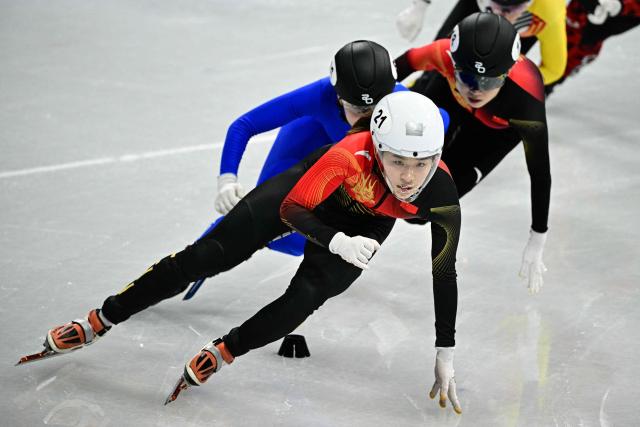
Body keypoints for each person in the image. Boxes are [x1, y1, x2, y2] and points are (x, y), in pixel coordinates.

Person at [24, 91, 464, 413]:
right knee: (208, 255)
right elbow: (293, 208)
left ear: (436, 157)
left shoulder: (441, 192)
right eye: (397, 161)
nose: (409, 177)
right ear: (376, 148)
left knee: (305, 299)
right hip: (312, 195)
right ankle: (102, 318)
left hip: (365, 223)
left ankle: (223, 351)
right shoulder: (348, 154)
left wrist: (445, 351)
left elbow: (443, 273)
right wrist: (335, 240)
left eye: (421, 163)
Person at [394, 12, 551, 294]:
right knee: (402, 154)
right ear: (453, 63)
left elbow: (540, 174)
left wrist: (537, 238)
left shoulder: (526, 101)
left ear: (507, 73)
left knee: (421, 209)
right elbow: (397, 66)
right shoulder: (442, 54)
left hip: (495, 130)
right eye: (467, 76)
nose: (475, 90)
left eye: (489, 81)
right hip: (447, 95)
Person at [212, 39, 404, 257]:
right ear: (339, 98)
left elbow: (441, 119)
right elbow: (244, 125)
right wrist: (227, 180)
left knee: (304, 243)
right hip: (308, 137)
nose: (366, 118)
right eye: (357, 109)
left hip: (344, 155)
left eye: (375, 107)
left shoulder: (405, 104)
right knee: (262, 218)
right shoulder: (320, 95)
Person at [396, 0, 567, 89]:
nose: (498, 13)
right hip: (481, 10)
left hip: (527, 23)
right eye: (493, 4)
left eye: (509, 9)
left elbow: (554, 68)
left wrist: (510, 81)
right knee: (440, 65)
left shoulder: (549, 10)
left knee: (487, 82)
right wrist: (419, 6)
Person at [545, 0, 640, 94]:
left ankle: (545, 86)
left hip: (595, 29)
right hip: (573, 20)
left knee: (569, 59)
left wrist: (620, 6)